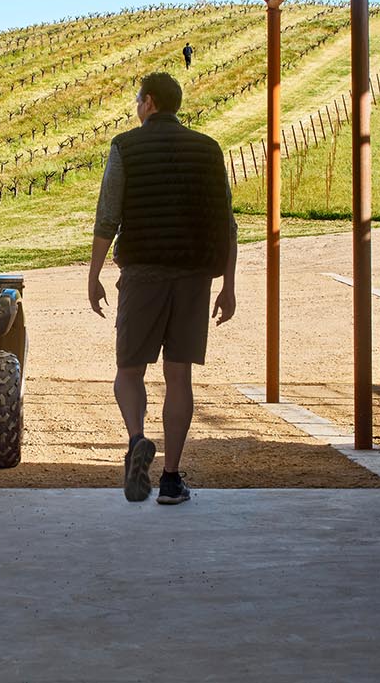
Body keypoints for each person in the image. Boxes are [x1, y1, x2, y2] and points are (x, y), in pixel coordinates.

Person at [88, 70, 237, 506]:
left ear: (150, 102)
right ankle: (171, 479)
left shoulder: (125, 147)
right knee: (179, 376)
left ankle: (137, 438)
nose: (136, 108)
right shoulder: (209, 149)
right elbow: (226, 222)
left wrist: (93, 274)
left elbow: (107, 217)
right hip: (193, 277)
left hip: (142, 273)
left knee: (129, 372)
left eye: (138, 100)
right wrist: (228, 286)